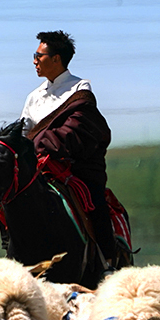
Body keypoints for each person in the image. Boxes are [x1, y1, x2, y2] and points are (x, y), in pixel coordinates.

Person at [20, 30, 117, 267]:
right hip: (39, 169)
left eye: (38, 56)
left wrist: (40, 144)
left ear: (56, 59)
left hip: (75, 167)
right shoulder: (33, 97)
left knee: (93, 199)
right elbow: (23, 135)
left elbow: (77, 131)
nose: (34, 61)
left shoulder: (79, 89)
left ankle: (108, 262)